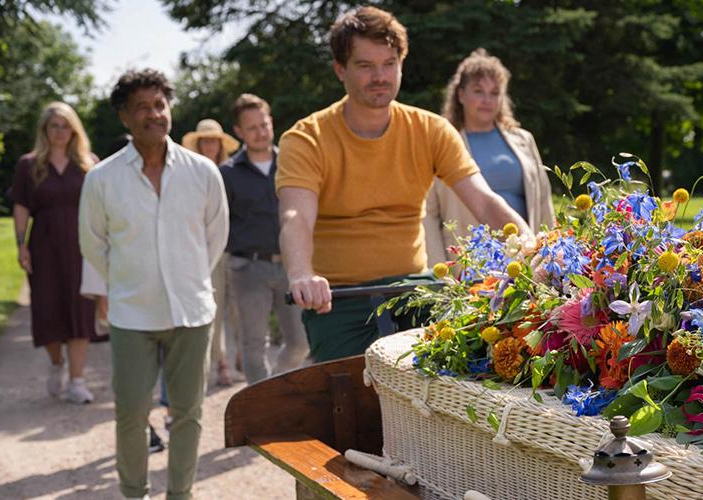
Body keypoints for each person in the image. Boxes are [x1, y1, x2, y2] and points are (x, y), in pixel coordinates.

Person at [278, 6, 529, 362]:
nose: (379, 76)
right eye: (365, 66)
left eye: (389, 63)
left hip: (415, 289)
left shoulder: (430, 130)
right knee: (346, 401)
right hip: (337, 298)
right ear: (340, 70)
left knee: (455, 378)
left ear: (401, 64)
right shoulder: (306, 138)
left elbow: (485, 201)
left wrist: (530, 246)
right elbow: (295, 216)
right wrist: (302, 275)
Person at [79, 68, 229, 500]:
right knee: (130, 412)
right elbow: (93, 243)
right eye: (141, 107)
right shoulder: (102, 179)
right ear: (124, 117)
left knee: (188, 413)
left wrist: (189, 276)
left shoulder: (202, 173)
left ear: (170, 109)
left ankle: (180, 494)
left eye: (159, 105)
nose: (153, 114)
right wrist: (125, 284)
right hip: (132, 315)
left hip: (192, 312)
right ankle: (133, 493)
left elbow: (214, 237)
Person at [8, 101, 106, 404]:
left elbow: (102, 208)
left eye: (65, 125)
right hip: (45, 245)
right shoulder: (29, 165)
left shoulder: (89, 163)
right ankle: (56, 364)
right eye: (54, 126)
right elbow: (22, 206)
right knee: (48, 311)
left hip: (82, 246)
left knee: (80, 310)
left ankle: (78, 381)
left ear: (74, 129)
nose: (60, 131)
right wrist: (21, 243)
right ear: (45, 130)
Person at [423, 49, 555, 265]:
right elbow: (429, 214)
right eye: (478, 91)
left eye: (494, 93)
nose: (487, 100)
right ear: (460, 95)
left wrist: (549, 259)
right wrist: (441, 275)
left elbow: (544, 203)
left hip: (526, 262)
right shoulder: (441, 142)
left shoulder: (524, 140)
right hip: (469, 265)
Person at [219, 94, 311, 382]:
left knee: (301, 343)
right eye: (252, 128)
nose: (261, 132)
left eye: (265, 124)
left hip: (291, 265)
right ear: (238, 132)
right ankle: (260, 412)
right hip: (247, 268)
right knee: (253, 345)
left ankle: (273, 385)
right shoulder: (227, 173)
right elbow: (220, 222)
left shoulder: (291, 164)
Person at [181, 119, 244, 385]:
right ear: (198, 144)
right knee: (215, 310)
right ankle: (222, 362)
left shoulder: (233, 172)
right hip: (207, 252)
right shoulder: (191, 176)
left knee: (239, 309)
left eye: (214, 141)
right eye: (205, 141)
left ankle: (243, 354)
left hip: (238, 250)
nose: (210, 145)